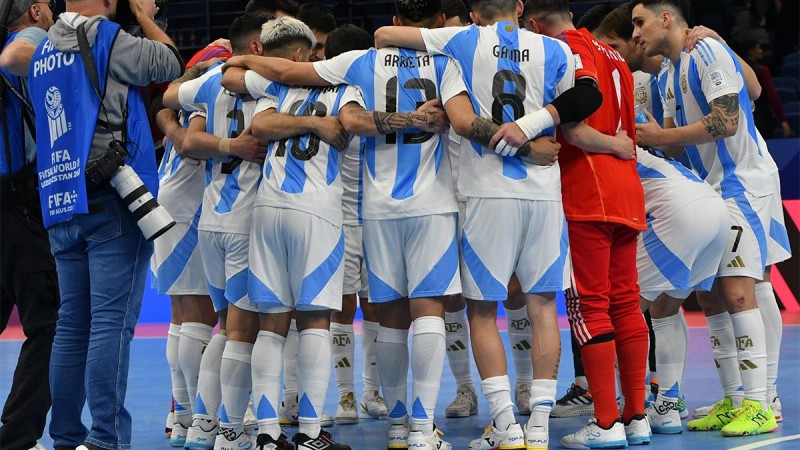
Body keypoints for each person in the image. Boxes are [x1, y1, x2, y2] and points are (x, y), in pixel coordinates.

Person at [26, 0, 182, 448]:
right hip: (112, 197)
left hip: (59, 196)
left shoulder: (43, 51)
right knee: (110, 323)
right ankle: (105, 439)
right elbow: (169, 61)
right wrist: (147, 17)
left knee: (72, 324)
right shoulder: (106, 37)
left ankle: (65, 436)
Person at [633, 0, 782, 437]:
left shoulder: (706, 52)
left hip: (740, 187)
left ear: (666, 19)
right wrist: (642, 138)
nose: (637, 33)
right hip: (708, 193)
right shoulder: (664, 78)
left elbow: (728, 120)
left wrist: (660, 135)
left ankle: (759, 401)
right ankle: (735, 398)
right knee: (712, 299)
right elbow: (675, 146)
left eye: (641, 22)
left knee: (741, 293)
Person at [524, 0, 650, 447]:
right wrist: (619, 148)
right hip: (627, 191)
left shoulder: (564, 49)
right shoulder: (613, 53)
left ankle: (606, 423)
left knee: (589, 306)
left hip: (588, 189)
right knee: (626, 302)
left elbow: (574, 123)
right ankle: (637, 418)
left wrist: (608, 147)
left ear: (535, 24)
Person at [162, 12, 273, 450]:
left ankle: (190, 421)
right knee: (234, 329)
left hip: (207, 217)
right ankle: (223, 428)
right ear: (258, 47)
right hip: (238, 218)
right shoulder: (270, 84)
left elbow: (168, 99)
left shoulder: (209, 82)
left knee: (209, 323)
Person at [315, 24, 389, 426]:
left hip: (377, 215)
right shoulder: (328, 99)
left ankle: (371, 391)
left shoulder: (381, 99)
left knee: (376, 306)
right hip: (340, 220)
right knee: (342, 309)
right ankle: (345, 396)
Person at [0, 1, 59, 450]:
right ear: (36, 11)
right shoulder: (26, 42)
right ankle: (18, 436)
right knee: (47, 323)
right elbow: (17, 56)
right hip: (18, 206)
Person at [737, 38, 793, 139]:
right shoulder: (762, 71)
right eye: (759, 48)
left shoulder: (735, 69)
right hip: (762, 120)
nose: (762, 51)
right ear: (751, 51)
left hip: (741, 119)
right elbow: (773, 97)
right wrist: (783, 121)